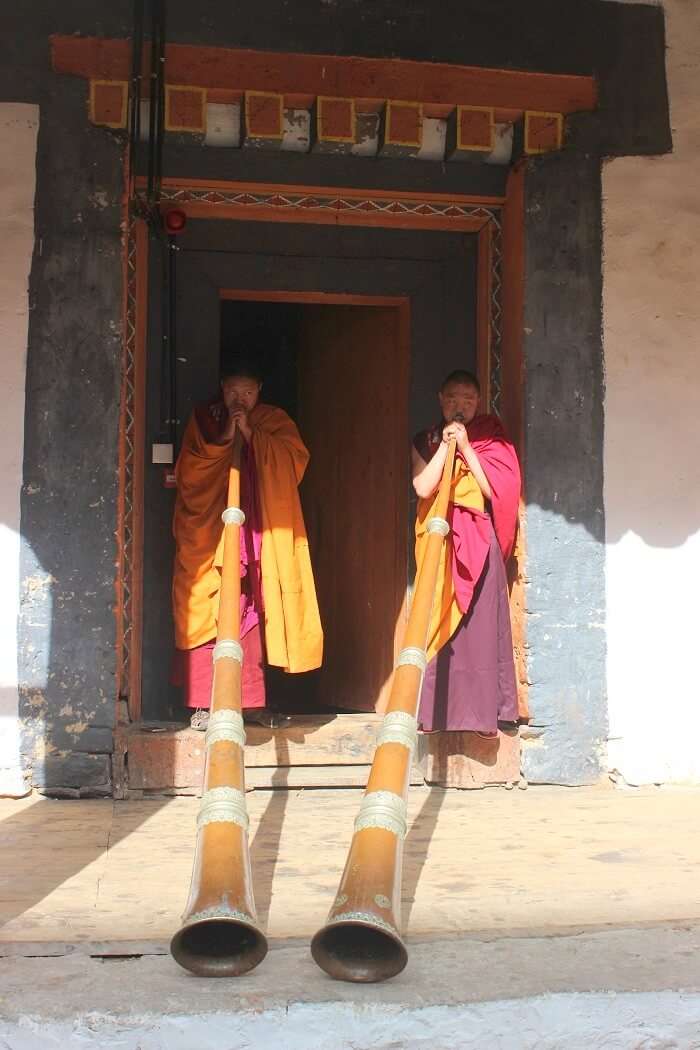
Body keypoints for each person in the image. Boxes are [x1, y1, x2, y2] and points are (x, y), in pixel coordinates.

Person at [171, 359, 323, 730]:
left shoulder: (273, 420)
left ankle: (250, 704)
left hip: (255, 528)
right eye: (232, 392)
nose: (239, 399)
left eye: (248, 393)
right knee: (204, 604)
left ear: (260, 391)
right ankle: (204, 705)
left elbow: (293, 463)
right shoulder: (205, 419)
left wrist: (252, 434)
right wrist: (225, 437)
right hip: (210, 531)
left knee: (250, 605)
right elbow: (190, 471)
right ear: (222, 388)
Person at [411, 369, 521, 736]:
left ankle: (483, 716)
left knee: (478, 627)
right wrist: (446, 446)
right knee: (437, 618)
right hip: (439, 541)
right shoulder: (425, 440)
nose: (461, 407)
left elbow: (495, 492)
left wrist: (468, 448)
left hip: (478, 540)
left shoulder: (491, 438)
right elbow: (424, 487)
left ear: (479, 403)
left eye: (469, 400)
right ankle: (432, 714)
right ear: (441, 400)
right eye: (454, 399)